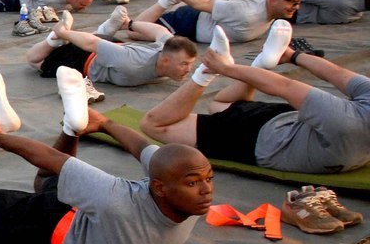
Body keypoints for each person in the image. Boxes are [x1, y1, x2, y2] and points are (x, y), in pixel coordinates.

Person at [0, 83, 213, 244]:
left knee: (47, 183)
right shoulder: (116, 198)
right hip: (57, 226)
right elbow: (53, 159)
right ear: (160, 188)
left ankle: (73, 126)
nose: (206, 191)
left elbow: (142, 148)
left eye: (208, 179)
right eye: (193, 183)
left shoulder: (189, 197)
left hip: (96, 223)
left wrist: (106, 124)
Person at [140, 25, 370, 176]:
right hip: (291, 124)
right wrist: (292, 55)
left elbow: (283, 86)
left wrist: (225, 68)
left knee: (153, 124)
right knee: (220, 105)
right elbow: (338, 74)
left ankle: (205, 74)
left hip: (260, 141)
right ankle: (263, 62)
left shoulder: (344, 120)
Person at [25, 14, 197, 97]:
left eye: (190, 64)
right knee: (34, 60)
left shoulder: (166, 48)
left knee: (104, 44)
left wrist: (130, 23)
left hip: (112, 45)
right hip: (84, 57)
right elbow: (91, 44)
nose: (188, 70)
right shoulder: (131, 62)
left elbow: (161, 31)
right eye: (184, 64)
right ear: (166, 60)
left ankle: (104, 31)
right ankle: (56, 37)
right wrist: (64, 32)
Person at [135, 0, 301, 44]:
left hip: (204, 16)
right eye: (291, 2)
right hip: (189, 22)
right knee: (135, 31)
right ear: (272, 0)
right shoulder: (245, 12)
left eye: (297, 2)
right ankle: (166, 0)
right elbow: (203, 5)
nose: (296, 7)